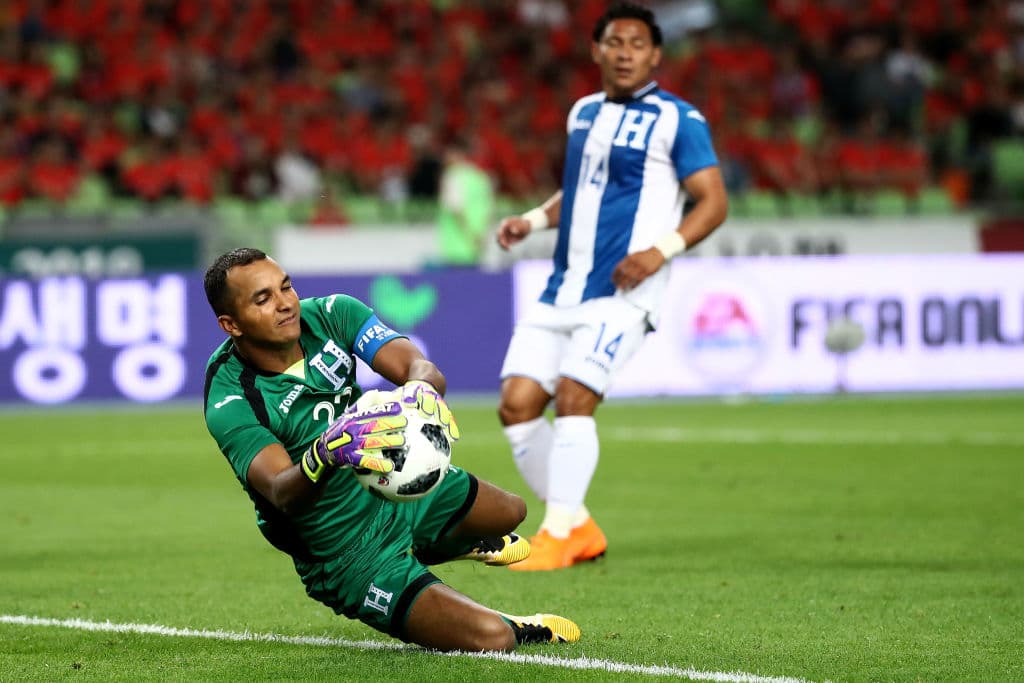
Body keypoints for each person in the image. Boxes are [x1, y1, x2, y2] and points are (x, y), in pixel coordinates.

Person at [202, 247, 580, 650]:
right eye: (263, 299)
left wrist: (421, 390)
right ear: (231, 324)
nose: (284, 305)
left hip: (390, 486)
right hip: (344, 550)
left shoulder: (332, 313)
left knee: (511, 512)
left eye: (286, 287)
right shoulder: (229, 398)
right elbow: (280, 492)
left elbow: (419, 367)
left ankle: (444, 542)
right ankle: (512, 623)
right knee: (495, 640)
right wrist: (325, 451)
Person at [494, 2, 729, 571]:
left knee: (576, 397)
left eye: (636, 44)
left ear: (655, 54)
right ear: (596, 50)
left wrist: (658, 252)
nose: (625, 53)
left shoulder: (678, 119)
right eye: (614, 42)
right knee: (517, 406)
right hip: (562, 288)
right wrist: (533, 220)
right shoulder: (582, 113)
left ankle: (557, 532)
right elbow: (577, 192)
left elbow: (714, 202)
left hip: (624, 293)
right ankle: (575, 523)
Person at [436, 137, 495, 266]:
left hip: (457, 246)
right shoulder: (481, 177)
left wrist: (471, 236)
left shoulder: (452, 176)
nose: (445, 157)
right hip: (478, 245)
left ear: (458, 154)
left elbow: (456, 210)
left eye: (448, 152)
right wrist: (481, 237)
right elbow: (488, 210)